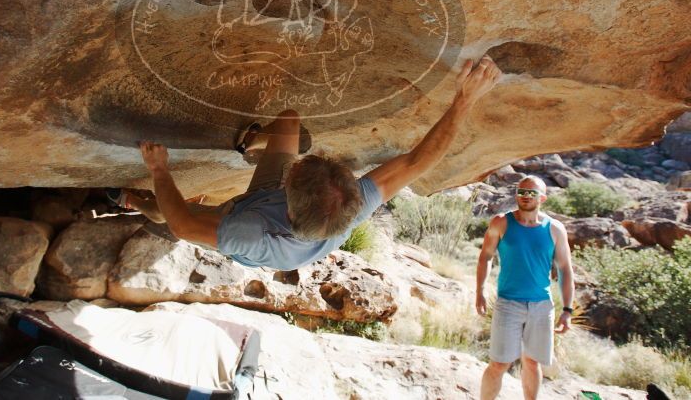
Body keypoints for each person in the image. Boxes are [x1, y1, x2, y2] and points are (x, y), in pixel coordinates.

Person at [123, 55, 501, 270]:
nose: (297, 165)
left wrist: (159, 169)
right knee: (288, 120)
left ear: (289, 192)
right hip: (277, 208)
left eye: (296, 172)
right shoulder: (350, 206)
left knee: (180, 212)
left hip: (253, 223)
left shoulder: (249, 233)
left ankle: (132, 202)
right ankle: (251, 144)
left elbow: (184, 226)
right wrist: (465, 100)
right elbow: (418, 162)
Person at [476, 175, 575, 400]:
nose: (525, 196)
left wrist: (567, 310)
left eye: (531, 193)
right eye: (521, 192)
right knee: (499, 363)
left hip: (542, 306)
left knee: (532, 362)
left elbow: (565, 270)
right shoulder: (501, 222)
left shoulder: (555, 229)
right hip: (508, 303)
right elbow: (486, 256)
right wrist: (480, 290)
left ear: (543, 198)